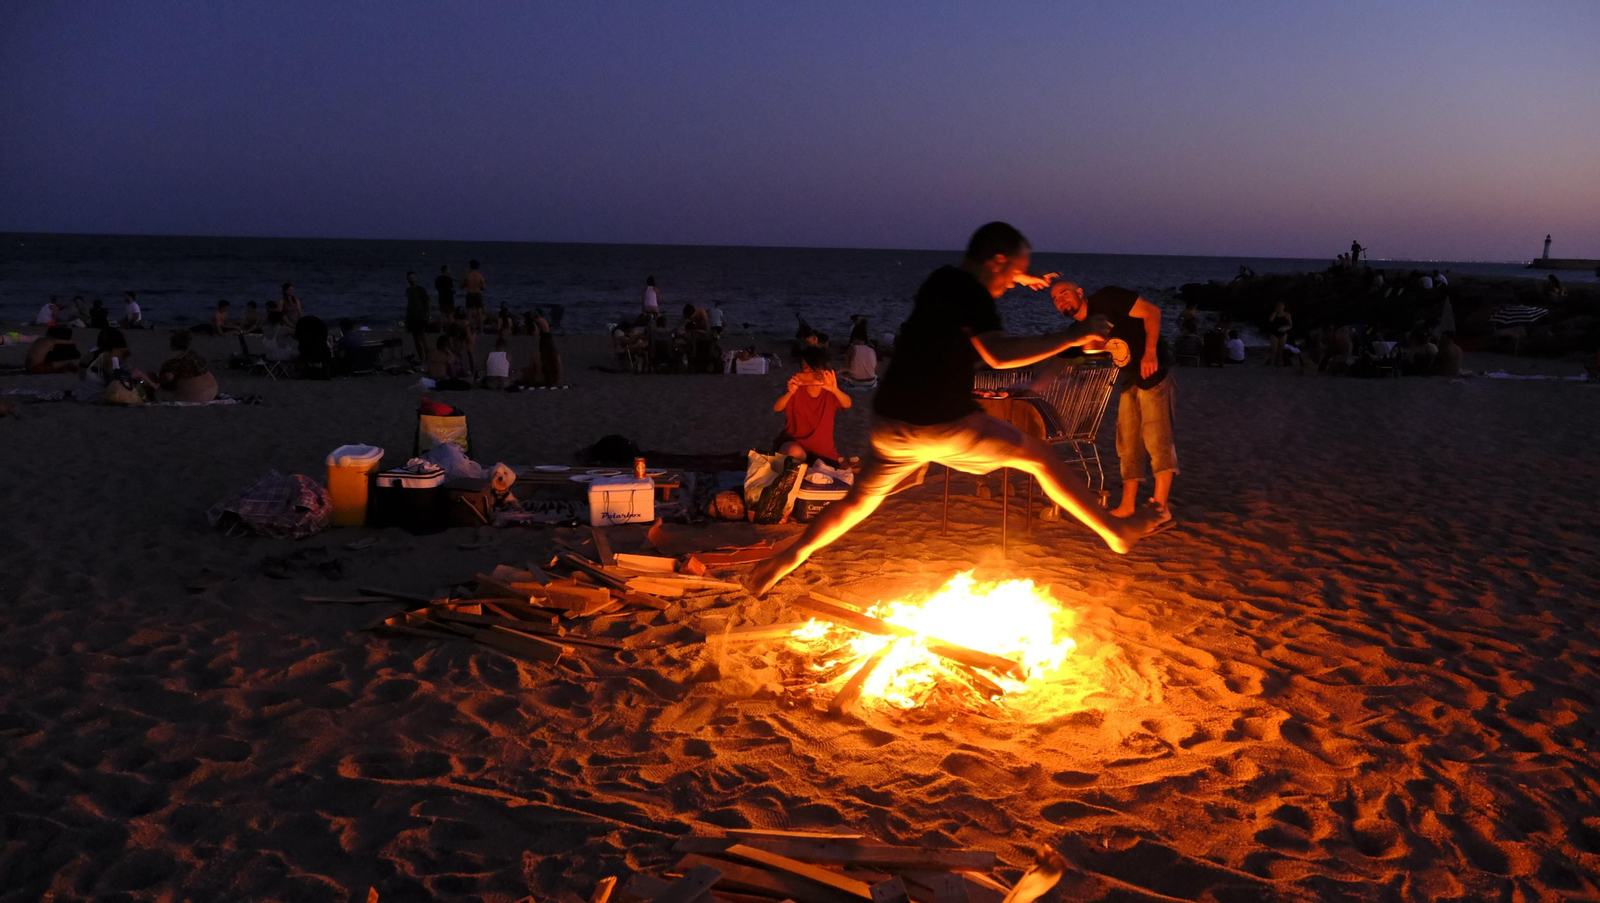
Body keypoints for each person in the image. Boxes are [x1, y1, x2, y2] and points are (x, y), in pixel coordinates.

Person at [748, 221, 1162, 598]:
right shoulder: (975, 294)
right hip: (943, 423)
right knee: (1039, 456)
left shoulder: (942, 281)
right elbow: (998, 354)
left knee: (857, 502)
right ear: (997, 261)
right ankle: (1115, 531)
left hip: (891, 423)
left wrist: (1021, 276)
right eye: (1012, 270)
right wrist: (1074, 334)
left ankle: (793, 554)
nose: (1008, 285)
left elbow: (987, 278)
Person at [1051, 279, 1178, 524]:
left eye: (1064, 293)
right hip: (1129, 380)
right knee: (1127, 442)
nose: (1060, 300)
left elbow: (1153, 312)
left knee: (1158, 439)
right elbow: (1060, 352)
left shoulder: (1108, 299)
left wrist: (1150, 352)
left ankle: (1162, 508)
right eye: (1055, 299)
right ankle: (1128, 506)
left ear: (1080, 292)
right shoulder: (1080, 332)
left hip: (1155, 373)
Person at [774, 346, 853, 464]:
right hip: (795, 443)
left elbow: (847, 403)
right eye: (806, 368)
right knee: (793, 451)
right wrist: (789, 393)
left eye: (814, 367)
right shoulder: (796, 388)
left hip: (823, 451)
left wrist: (835, 389)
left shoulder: (829, 390)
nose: (810, 371)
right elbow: (777, 407)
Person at [157, 330, 219, 402]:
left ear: (172, 346)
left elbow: (168, 377)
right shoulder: (195, 356)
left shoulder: (173, 362)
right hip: (212, 391)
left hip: (194, 396)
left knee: (158, 393)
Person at [403, 271, 431, 360]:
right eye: (410, 278)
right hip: (412, 317)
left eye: (413, 278)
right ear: (407, 280)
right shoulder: (408, 290)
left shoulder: (421, 289)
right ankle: (421, 357)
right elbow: (409, 304)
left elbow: (426, 302)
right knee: (416, 339)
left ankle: (428, 356)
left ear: (416, 278)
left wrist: (427, 315)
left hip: (420, 316)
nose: (412, 280)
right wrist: (407, 318)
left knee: (423, 338)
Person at [462, 259, 487, 334]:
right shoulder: (480, 276)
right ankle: (481, 331)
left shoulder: (467, 275)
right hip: (477, 293)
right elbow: (483, 287)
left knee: (469, 314)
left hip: (470, 293)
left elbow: (461, 285)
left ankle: (468, 331)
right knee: (479, 313)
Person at [1267, 301, 1292, 367]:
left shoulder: (1287, 315)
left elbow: (1290, 325)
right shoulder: (1274, 314)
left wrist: (1286, 328)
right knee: (1273, 350)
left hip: (1283, 333)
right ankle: (1271, 363)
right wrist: (1275, 313)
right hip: (1274, 333)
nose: (1280, 308)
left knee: (1280, 350)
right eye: (1278, 307)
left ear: (1284, 307)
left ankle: (1277, 364)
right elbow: (1270, 321)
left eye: (1281, 306)